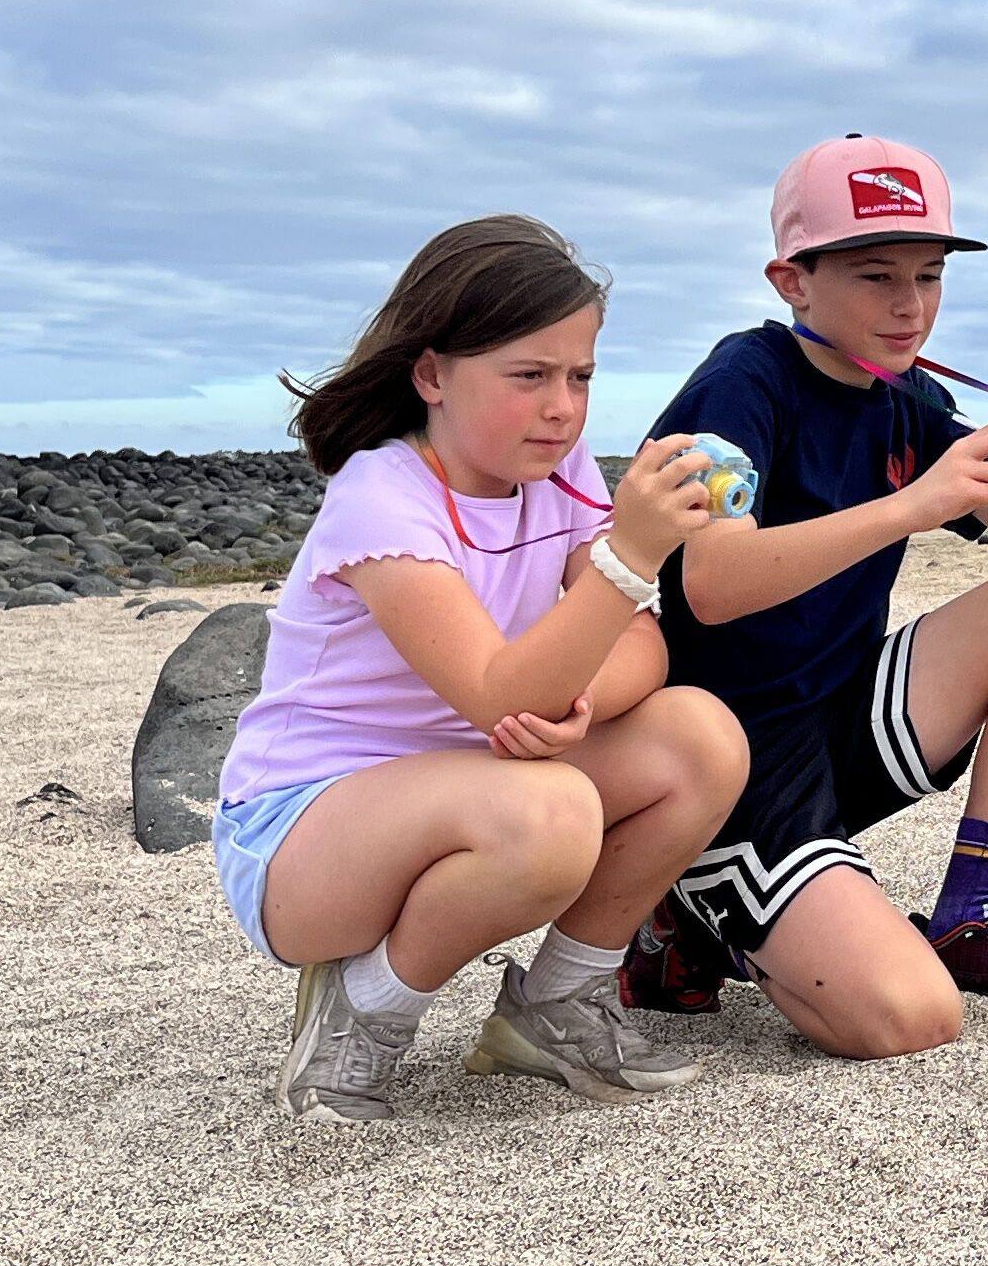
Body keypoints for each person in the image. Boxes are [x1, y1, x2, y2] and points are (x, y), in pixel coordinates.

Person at [621, 135, 988, 1057]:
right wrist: (913, 504)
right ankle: (683, 908)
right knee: (909, 1018)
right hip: (727, 759)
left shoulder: (905, 394)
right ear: (791, 281)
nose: (910, 304)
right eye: (876, 276)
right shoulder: (741, 383)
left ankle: (977, 913)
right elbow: (712, 585)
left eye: (928, 275)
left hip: (838, 719)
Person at [218, 217, 752, 1124]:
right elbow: (499, 694)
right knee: (552, 814)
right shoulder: (382, 497)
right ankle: (362, 1013)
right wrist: (631, 556)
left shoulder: (561, 474)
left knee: (700, 738)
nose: (563, 408)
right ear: (432, 375)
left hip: (479, 780)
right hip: (306, 835)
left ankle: (556, 1007)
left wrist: (579, 705)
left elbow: (642, 650)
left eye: (580, 376)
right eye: (529, 376)